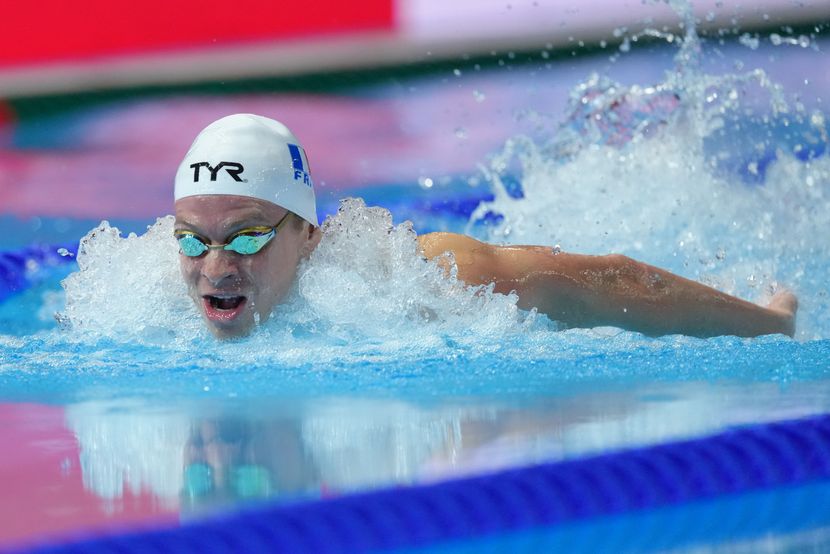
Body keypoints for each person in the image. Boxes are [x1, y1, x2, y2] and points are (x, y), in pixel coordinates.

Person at [173, 114, 798, 340]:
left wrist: (765, 323)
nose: (215, 266)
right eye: (192, 240)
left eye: (248, 236)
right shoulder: (139, 290)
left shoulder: (418, 277)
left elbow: (602, 282)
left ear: (308, 232)